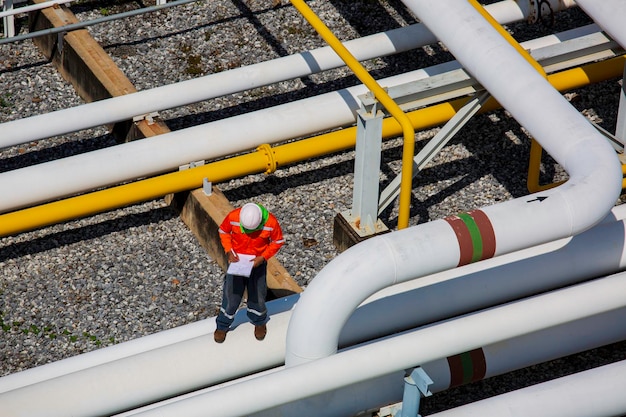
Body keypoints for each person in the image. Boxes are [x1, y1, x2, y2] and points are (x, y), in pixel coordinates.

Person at [214, 202, 285, 343]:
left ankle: (259, 321)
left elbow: (278, 241)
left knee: (257, 295)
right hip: (237, 263)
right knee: (231, 295)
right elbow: (223, 231)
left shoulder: (271, 222)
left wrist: (263, 257)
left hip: (257, 264)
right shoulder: (233, 217)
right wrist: (228, 250)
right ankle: (223, 325)